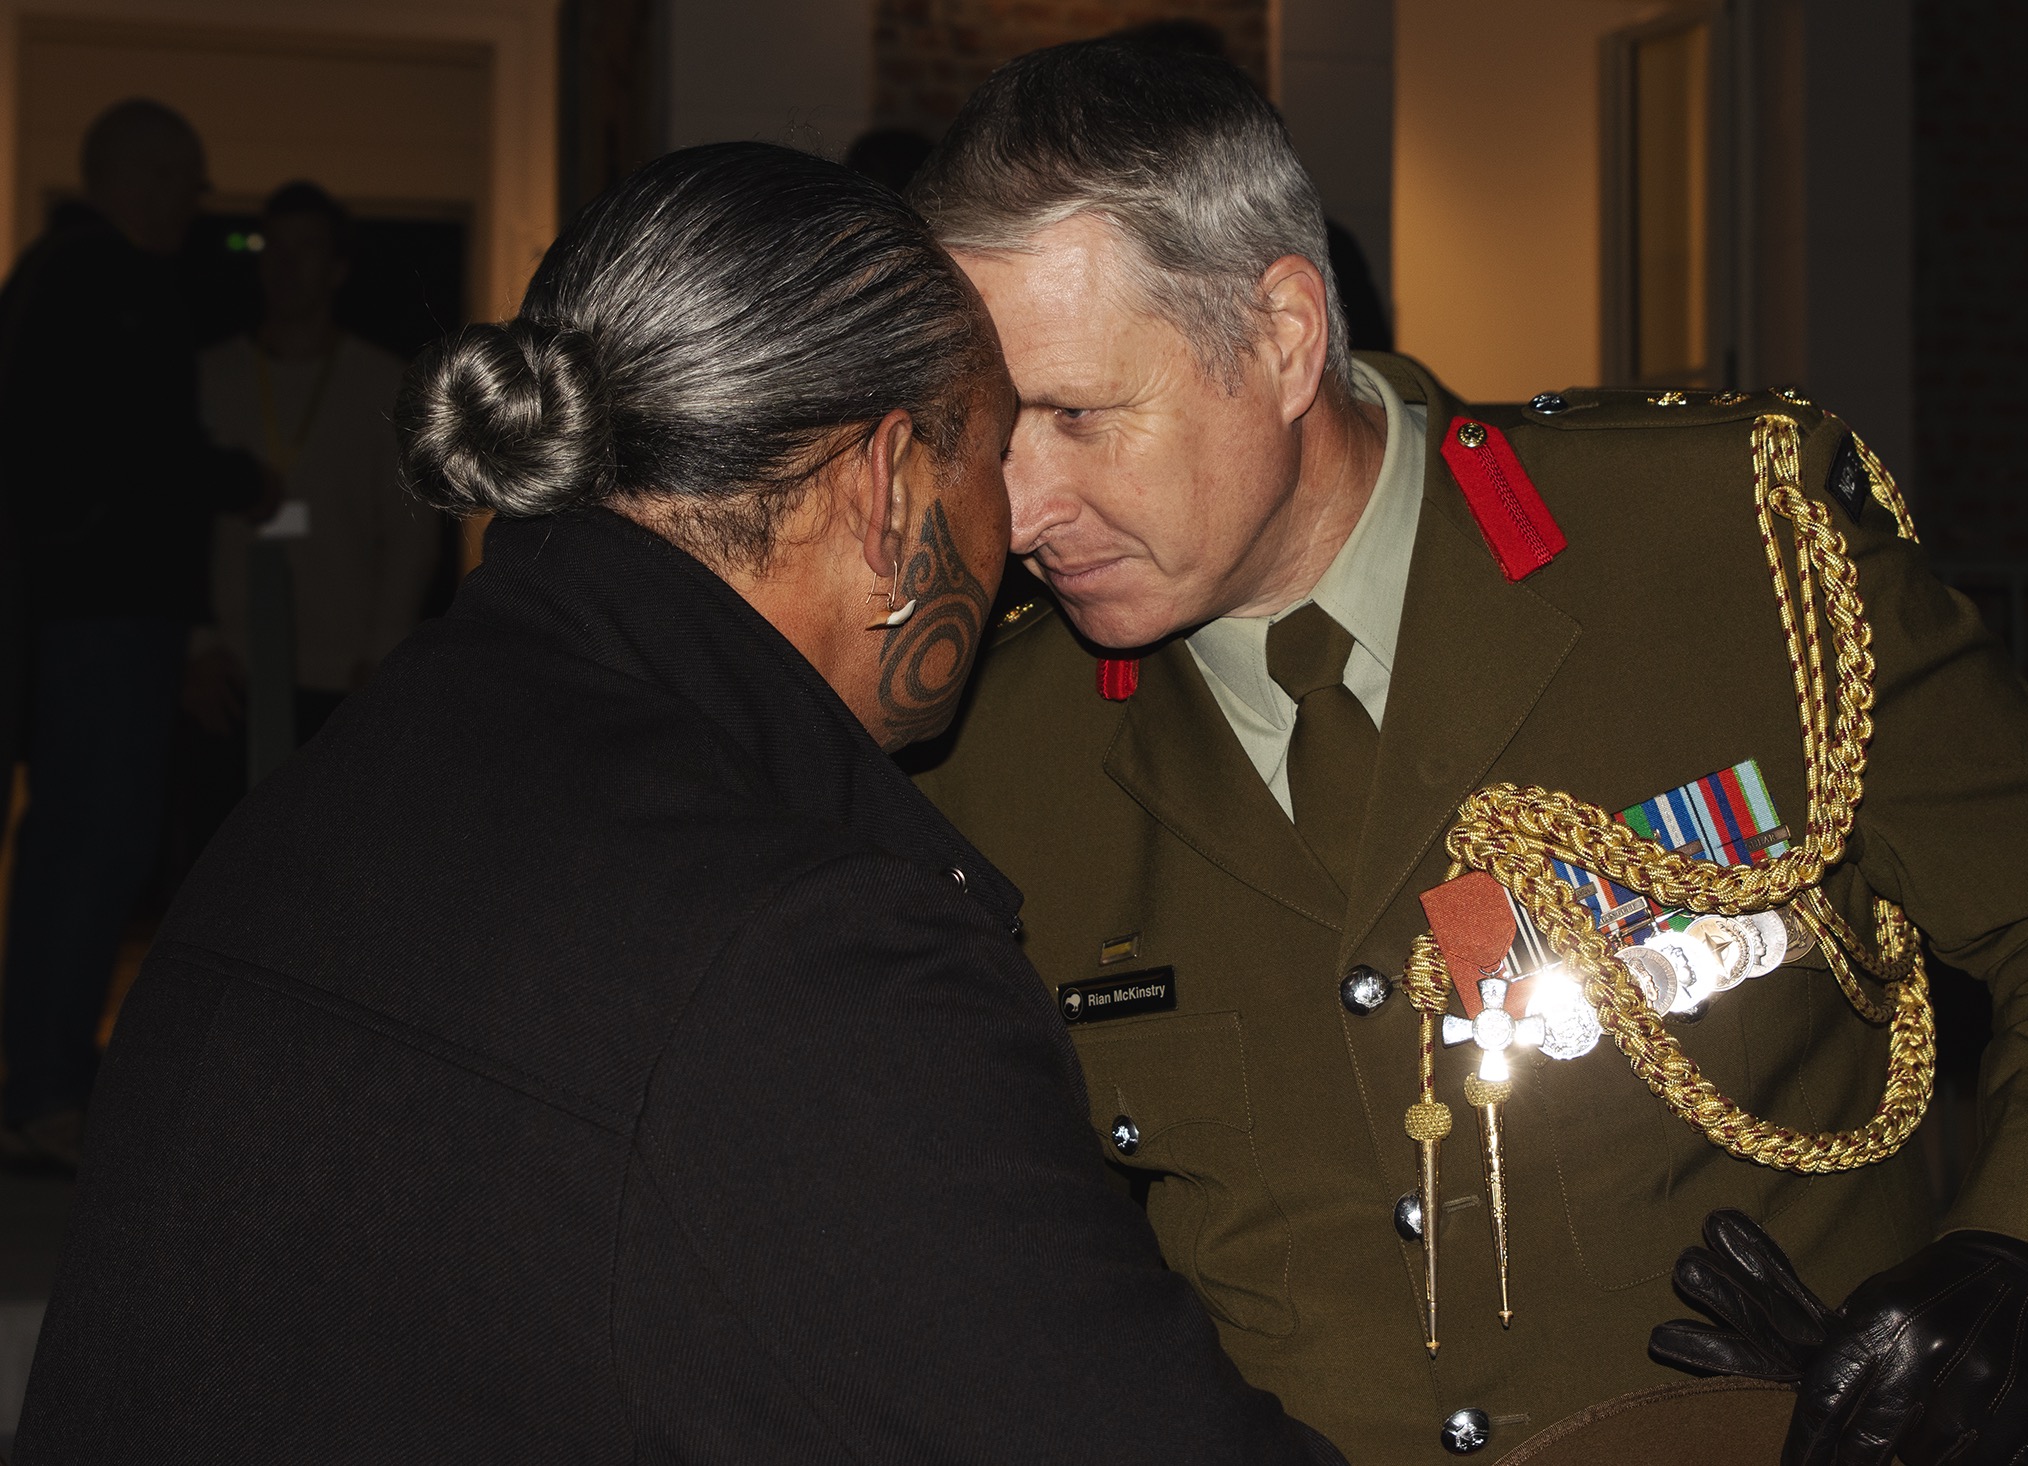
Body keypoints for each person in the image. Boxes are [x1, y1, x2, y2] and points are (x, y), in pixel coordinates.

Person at [908, 41, 2028, 1464]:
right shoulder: (993, 753)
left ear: (1281, 337)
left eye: (1077, 415)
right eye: (980, 431)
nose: (1020, 507)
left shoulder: (1721, 561)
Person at [14, 141, 1344, 1465]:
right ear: (886, 485)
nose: (1022, 532)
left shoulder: (346, 777)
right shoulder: (805, 955)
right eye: (992, 454)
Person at [0, 99, 277, 1170]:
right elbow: (136, 452)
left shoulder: (48, 278)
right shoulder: (112, 287)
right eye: (187, 183)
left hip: (72, 609)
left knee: (74, 840)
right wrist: (236, 477)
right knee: (93, 842)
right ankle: (51, 1084)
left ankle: (45, 1073)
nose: (193, 208)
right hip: (105, 612)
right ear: (144, 180)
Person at [188, 180, 439, 749]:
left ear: (337, 269)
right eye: (273, 245)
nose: (286, 264)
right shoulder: (210, 375)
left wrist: (382, 653)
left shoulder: (383, 382)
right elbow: (172, 521)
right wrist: (196, 645)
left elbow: (410, 530)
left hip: (343, 674)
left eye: (306, 248)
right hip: (230, 671)